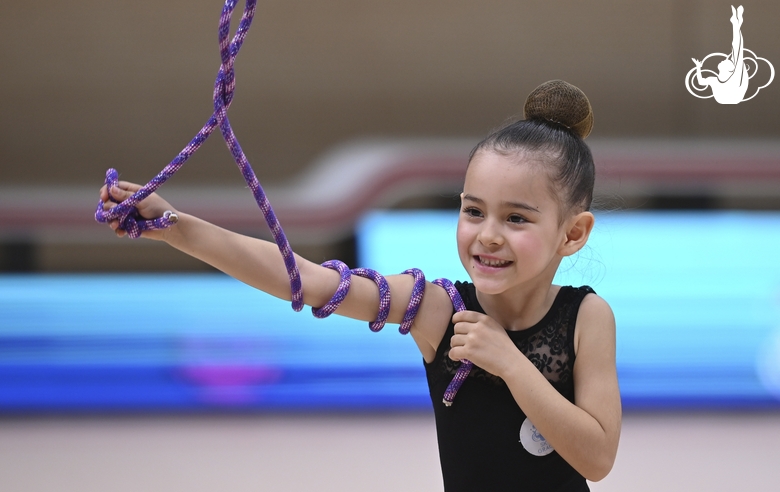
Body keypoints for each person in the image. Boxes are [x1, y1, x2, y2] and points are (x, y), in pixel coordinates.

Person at [100, 79, 621, 491]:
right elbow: (305, 280)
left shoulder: (587, 318)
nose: (487, 235)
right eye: (473, 211)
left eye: (517, 219)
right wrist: (175, 225)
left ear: (572, 234)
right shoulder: (439, 310)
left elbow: (597, 459)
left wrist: (509, 362)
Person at [692, 5, 748, 104]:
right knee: (737, 52)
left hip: (732, 96)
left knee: (737, 51)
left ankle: (736, 23)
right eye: (728, 60)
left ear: (729, 69)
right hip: (730, 97)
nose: (724, 59)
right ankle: (736, 23)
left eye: (727, 61)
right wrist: (698, 67)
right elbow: (700, 82)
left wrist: (698, 67)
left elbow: (738, 49)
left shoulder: (732, 78)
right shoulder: (715, 80)